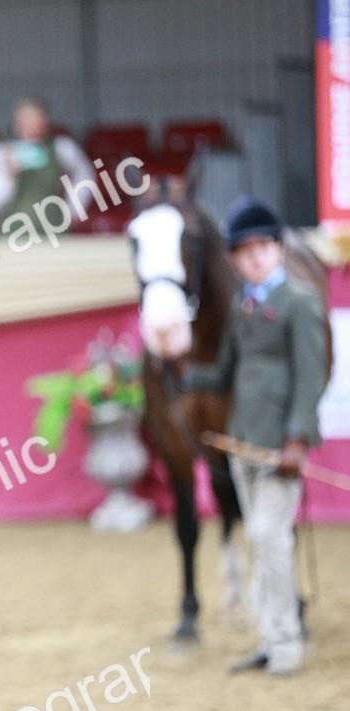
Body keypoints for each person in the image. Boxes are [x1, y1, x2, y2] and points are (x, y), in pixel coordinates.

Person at [181, 197, 329, 677]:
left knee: (270, 538)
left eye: (263, 247)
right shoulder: (244, 306)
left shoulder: (301, 303)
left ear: (278, 249)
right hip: (241, 440)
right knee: (259, 543)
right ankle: (270, 638)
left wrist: (298, 439)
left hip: (278, 446)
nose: (255, 257)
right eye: (244, 251)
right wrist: (181, 373)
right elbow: (225, 371)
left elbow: (312, 376)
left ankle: (286, 642)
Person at [0, 95, 95, 231]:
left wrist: (73, 209)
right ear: (15, 123)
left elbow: (85, 174)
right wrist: (10, 177)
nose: (31, 127)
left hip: (54, 232)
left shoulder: (62, 147)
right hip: (12, 236)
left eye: (36, 120)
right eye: (26, 121)